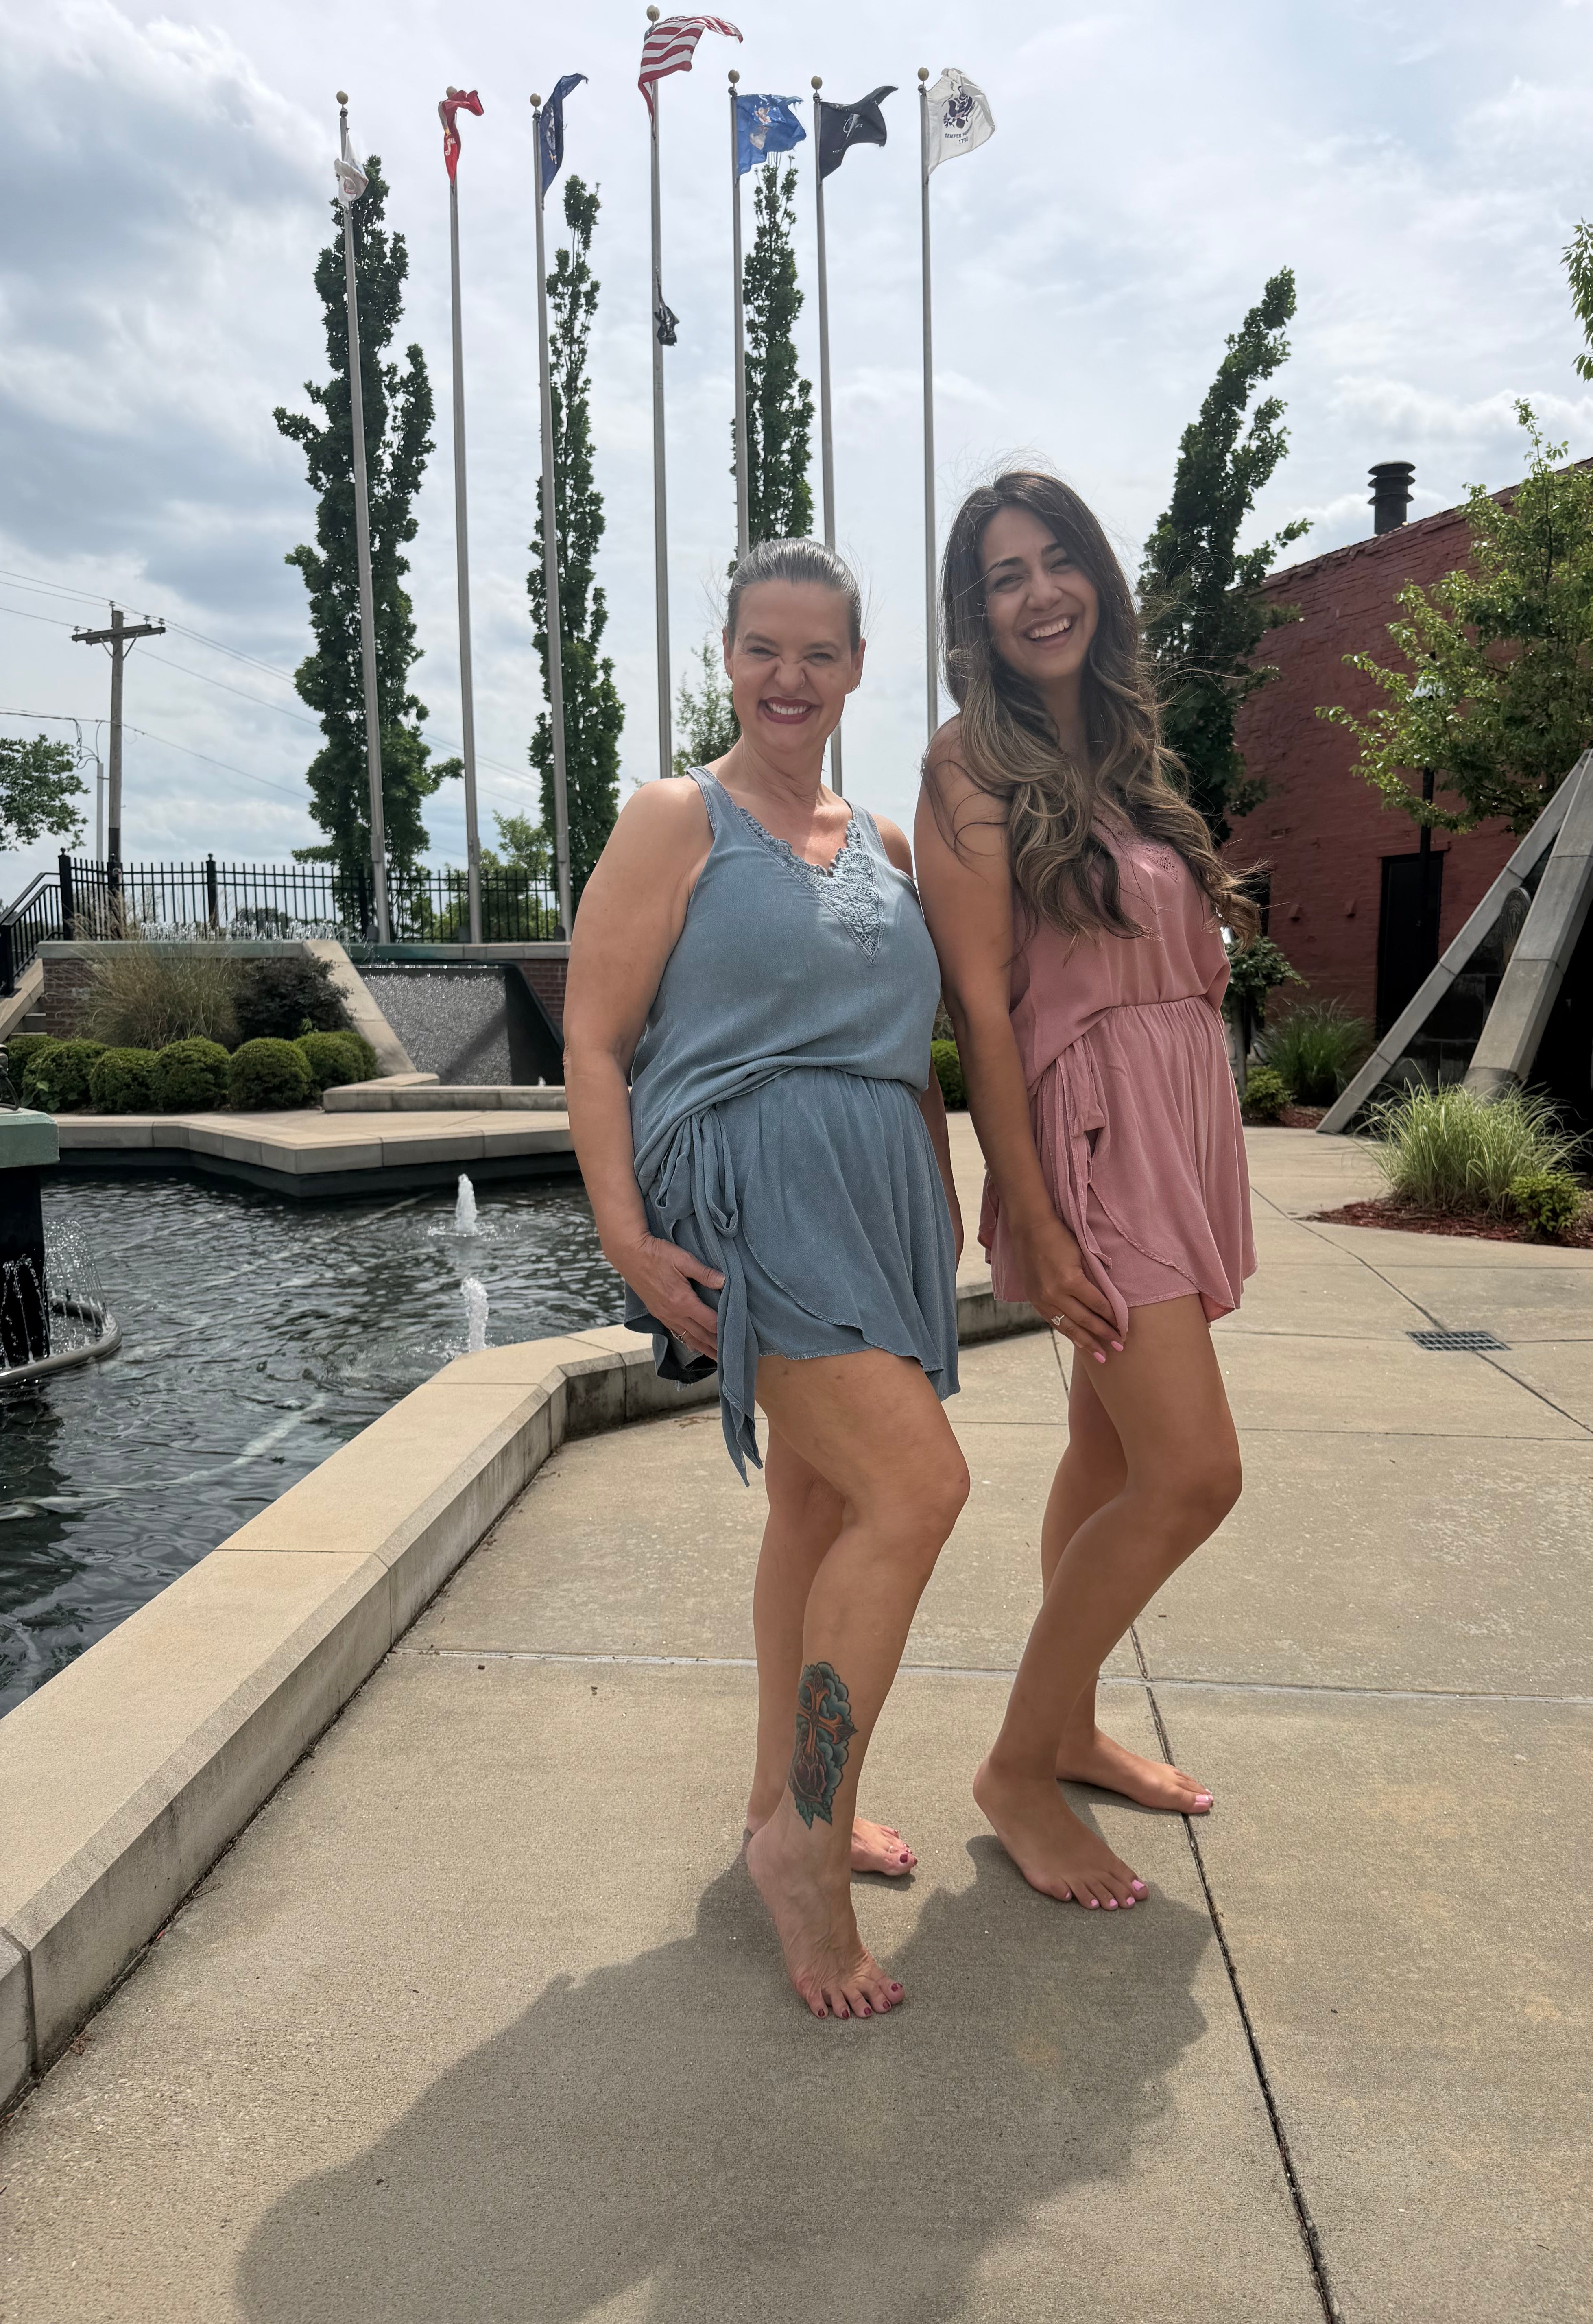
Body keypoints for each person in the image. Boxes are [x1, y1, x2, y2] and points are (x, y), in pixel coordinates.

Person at [565, 538, 967, 2018]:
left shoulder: (884, 846)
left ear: (859, 668)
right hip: (742, 1191)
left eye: (820, 653)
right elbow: (596, 1039)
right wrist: (620, 1228)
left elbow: (911, 1055)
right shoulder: (681, 816)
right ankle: (805, 1845)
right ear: (726, 659)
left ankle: (784, 1800)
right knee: (917, 1492)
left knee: (822, 1502)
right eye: (762, 651)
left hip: (877, 1207)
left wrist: (941, 1193)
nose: (789, 679)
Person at [916, 471, 1256, 1912]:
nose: (1039, 593)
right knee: (1191, 1474)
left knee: (1106, 1458)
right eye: (1005, 575)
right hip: (1094, 1145)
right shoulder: (966, 771)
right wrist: (1033, 1217)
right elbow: (984, 1015)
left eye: (1059, 563)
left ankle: (1064, 1730)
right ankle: (1010, 1765)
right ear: (974, 615)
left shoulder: (1123, 757)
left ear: (1098, 584)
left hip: (1177, 1125)